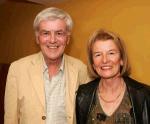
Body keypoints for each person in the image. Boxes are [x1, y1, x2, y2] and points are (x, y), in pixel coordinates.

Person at [4, 7, 91, 124]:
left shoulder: (81, 69)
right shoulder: (17, 69)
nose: (52, 40)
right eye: (45, 33)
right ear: (37, 38)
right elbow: (10, 118)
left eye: (59, 33)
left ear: (68, 39)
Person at [76, 29, 150, 124]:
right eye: (98, 54)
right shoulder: (83, 95)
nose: (105, 60)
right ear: (93, 63)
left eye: (111, 53)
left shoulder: (144, 95)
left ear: (122, 59)